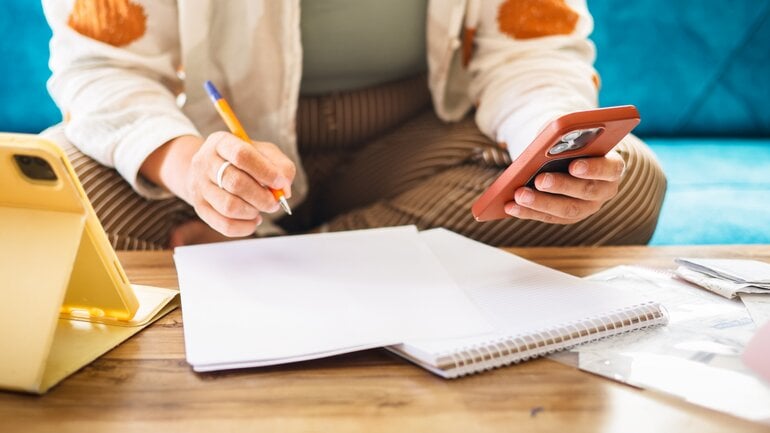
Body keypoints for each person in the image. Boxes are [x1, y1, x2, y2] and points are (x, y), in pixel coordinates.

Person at [41, 0, 666, 249]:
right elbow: (100, 66)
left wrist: (546, 143)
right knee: (45, 191)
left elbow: (532, 51)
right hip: (222, 146)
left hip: (410, 144)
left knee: (627, 177)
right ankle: (377, 260)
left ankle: (277, 263)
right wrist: (189, 167)